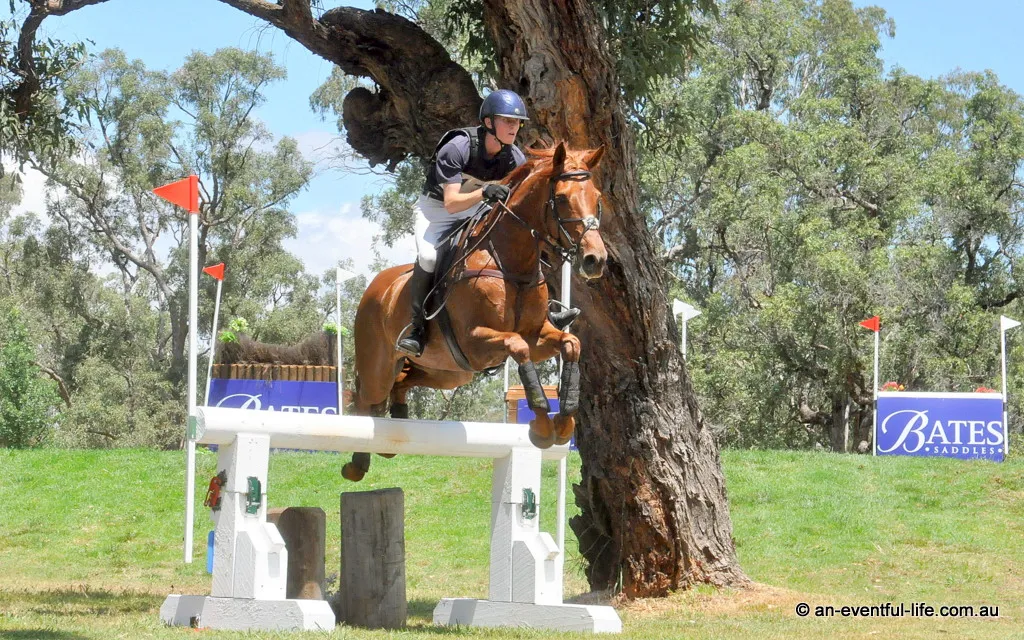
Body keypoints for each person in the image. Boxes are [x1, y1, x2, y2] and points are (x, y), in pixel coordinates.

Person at [397, 89, 580, 357]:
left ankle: (545, 313)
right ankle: (417, 328)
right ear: (488, 123)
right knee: (427, 257)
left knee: (525, 245)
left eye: (517, 122)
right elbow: (451, 203)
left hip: (477, 210)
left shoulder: (514, 158)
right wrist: (484, 192)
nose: (513, 127)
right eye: (507, 121)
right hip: (437, 211)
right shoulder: (457, 147)